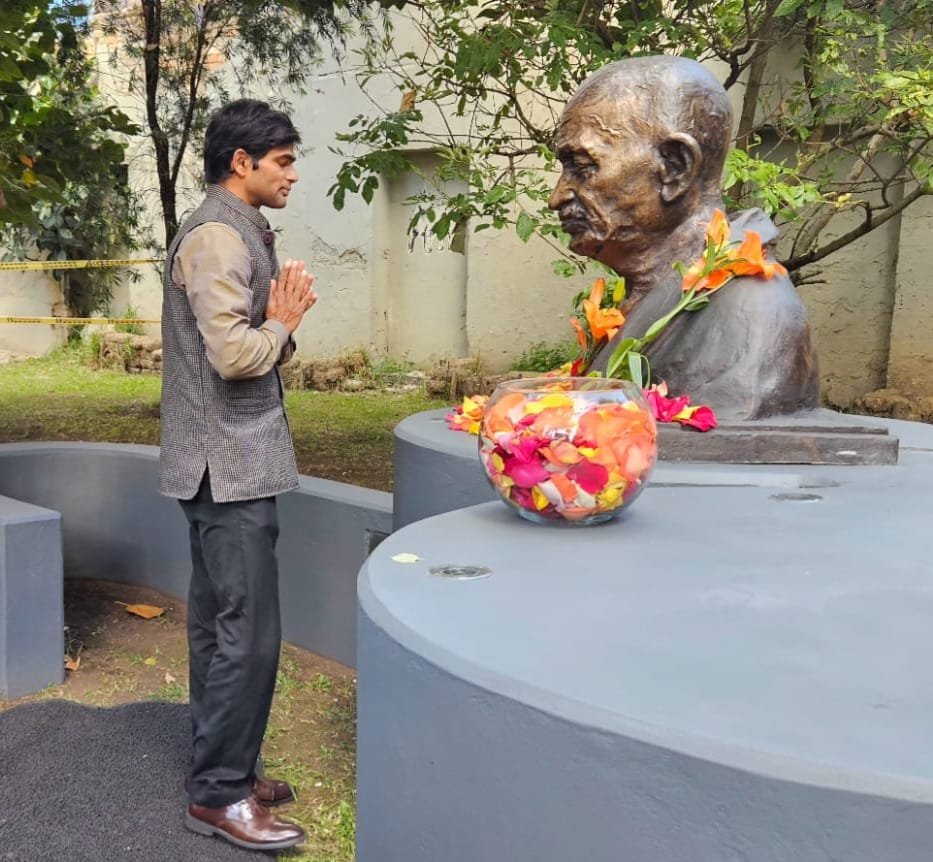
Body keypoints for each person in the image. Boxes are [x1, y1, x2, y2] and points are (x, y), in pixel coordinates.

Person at [159, 99, 317, 852]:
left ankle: (225, 765)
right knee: (247, 633)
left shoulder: (231, 227)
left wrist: (275, 328)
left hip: (219, 463)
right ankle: (218, 795)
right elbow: (234, 358)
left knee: (220, 626)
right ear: (241, 163)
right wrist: (283, 323)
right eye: (282, 160)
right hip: (228, 467)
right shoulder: (220, 237)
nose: (292, 173)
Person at [548, 55, 820, 420]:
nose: (557, 197)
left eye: (582, 167)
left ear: (674, 167)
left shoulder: (755, 313)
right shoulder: (641, 294)